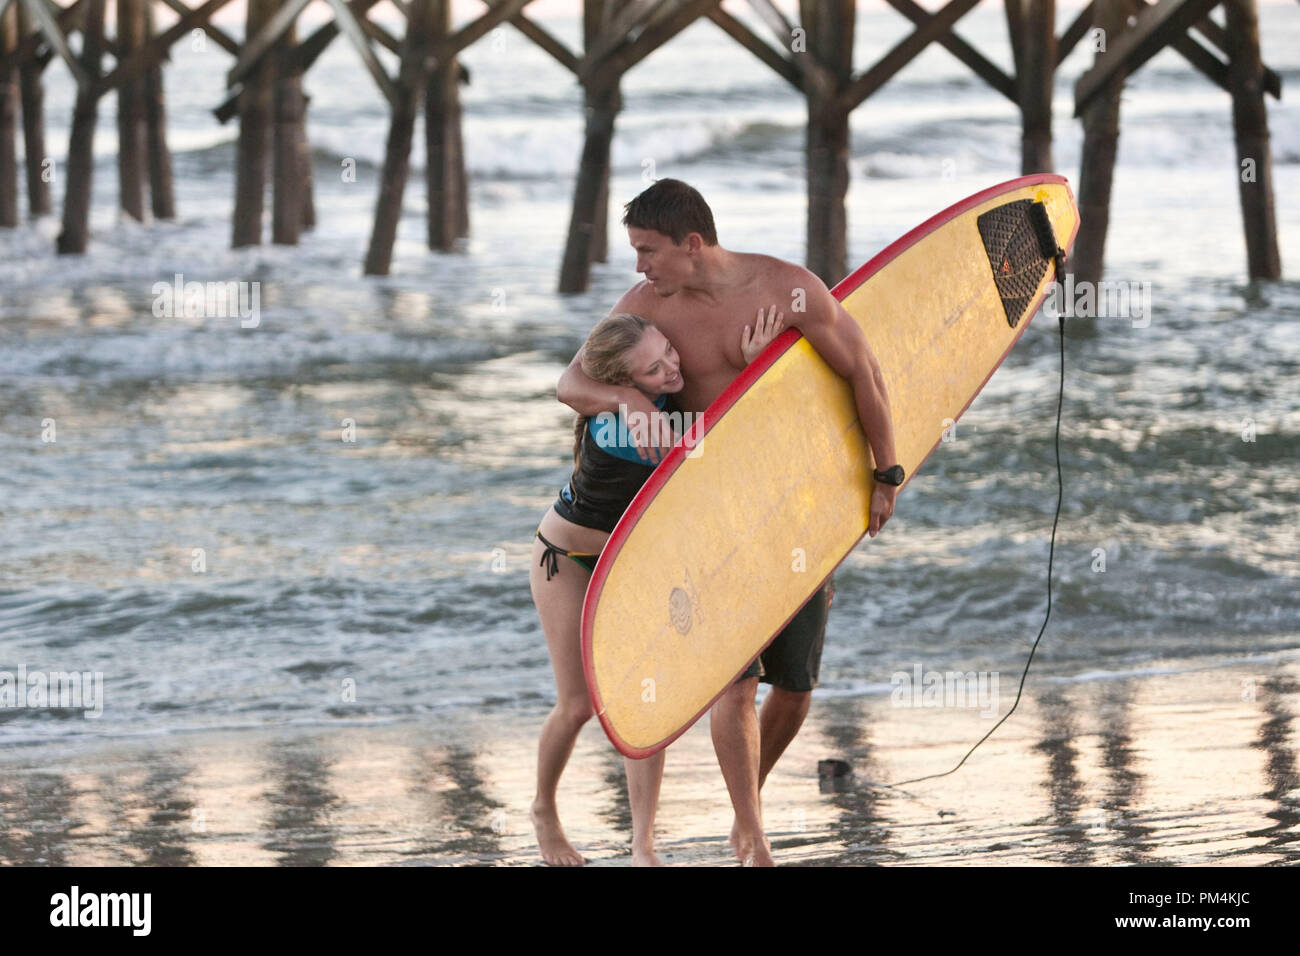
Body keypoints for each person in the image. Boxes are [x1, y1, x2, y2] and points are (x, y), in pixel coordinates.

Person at [556, 179, 903, 866]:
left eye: (648, 250)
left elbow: (862, 369)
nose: (638, 267)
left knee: (797, 688)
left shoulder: (787, 291)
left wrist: (884, 472)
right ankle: (750, 832)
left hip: (787, 505)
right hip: (703, 514)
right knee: (735, 680)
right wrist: (626, 400)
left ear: (693, 244)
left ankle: (748, 803)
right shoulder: (647, 305)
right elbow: (570, 384)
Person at [530, 308, 785, 866]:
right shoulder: (623, 427)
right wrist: (755, 371)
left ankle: (642, 847)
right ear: (623, 385)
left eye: (668, 349)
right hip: (567, 561)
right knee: (576, 707)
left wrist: (743, 366)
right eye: (653, 368)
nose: (672, 366)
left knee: (644, 699)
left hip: (633, 565)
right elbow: (707, 454)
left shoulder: (651, 403)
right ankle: (544, 810)